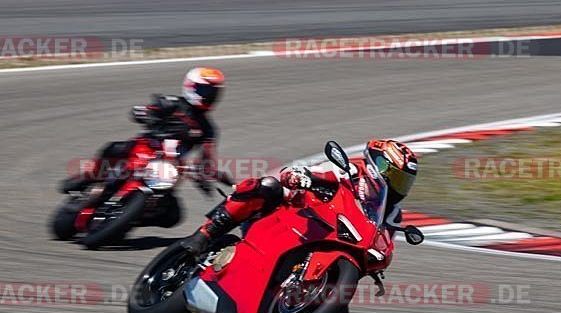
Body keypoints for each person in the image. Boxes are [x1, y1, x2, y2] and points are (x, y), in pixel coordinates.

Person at [180, 139, 418, 255]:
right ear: (377, 164)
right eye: (394, 176)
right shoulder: (353, 170)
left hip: (333, 241)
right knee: (266, 186)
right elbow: (319, 171)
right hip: (305, 211)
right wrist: (301, 177)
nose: (396, 185)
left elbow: (384, 244)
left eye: (403, 181)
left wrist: (379, 256)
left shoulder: (392, 211)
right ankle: (206, 233)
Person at [60, 67, 232, 193]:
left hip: (171, 166)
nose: (208, 97)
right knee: (112, 148)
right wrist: (143, 113)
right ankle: (89, 176)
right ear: (191, 87)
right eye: (205, 91)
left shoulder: (208, 129)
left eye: (213, 93)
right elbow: (149, 109)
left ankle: (134, 215)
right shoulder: (172, 103)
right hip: (146, 147)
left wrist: (212, 177)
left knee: (172, 215)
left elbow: (207, 157)